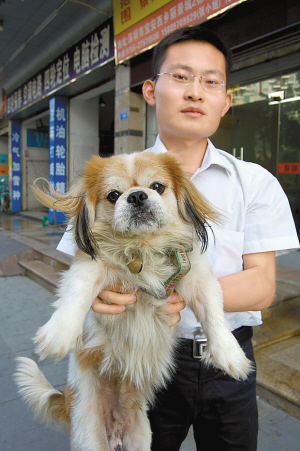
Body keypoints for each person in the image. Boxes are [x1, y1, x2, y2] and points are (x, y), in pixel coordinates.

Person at [57, 25, 299, 451]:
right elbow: (81, 263)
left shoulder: (254, 183)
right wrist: (96, 295)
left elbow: (262, 286)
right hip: (136, 358)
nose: (195, 92)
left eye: (210, 81)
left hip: (225, 356)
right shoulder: (107, 178)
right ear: (151, 90)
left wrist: (184, 293)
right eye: (181, 76)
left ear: (226, 101)